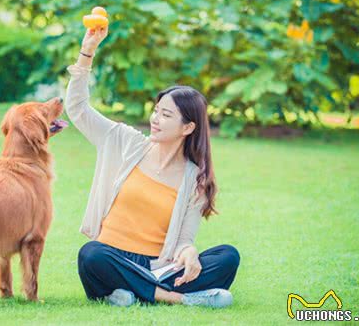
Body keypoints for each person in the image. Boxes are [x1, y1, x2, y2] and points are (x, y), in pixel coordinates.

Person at [64, 26, 240, 308]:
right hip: (112, 256)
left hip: (158, 266)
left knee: (228, 256)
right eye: (156, 111)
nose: (155, 119)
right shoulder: (126, 142)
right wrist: (87, 53)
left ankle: (127, 293)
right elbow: (77, 109)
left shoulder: (195, 179)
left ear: (188, 127)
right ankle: (175, 298)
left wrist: (189, 252)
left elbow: (183, 240)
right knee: (90, 255)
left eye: (166, 115)